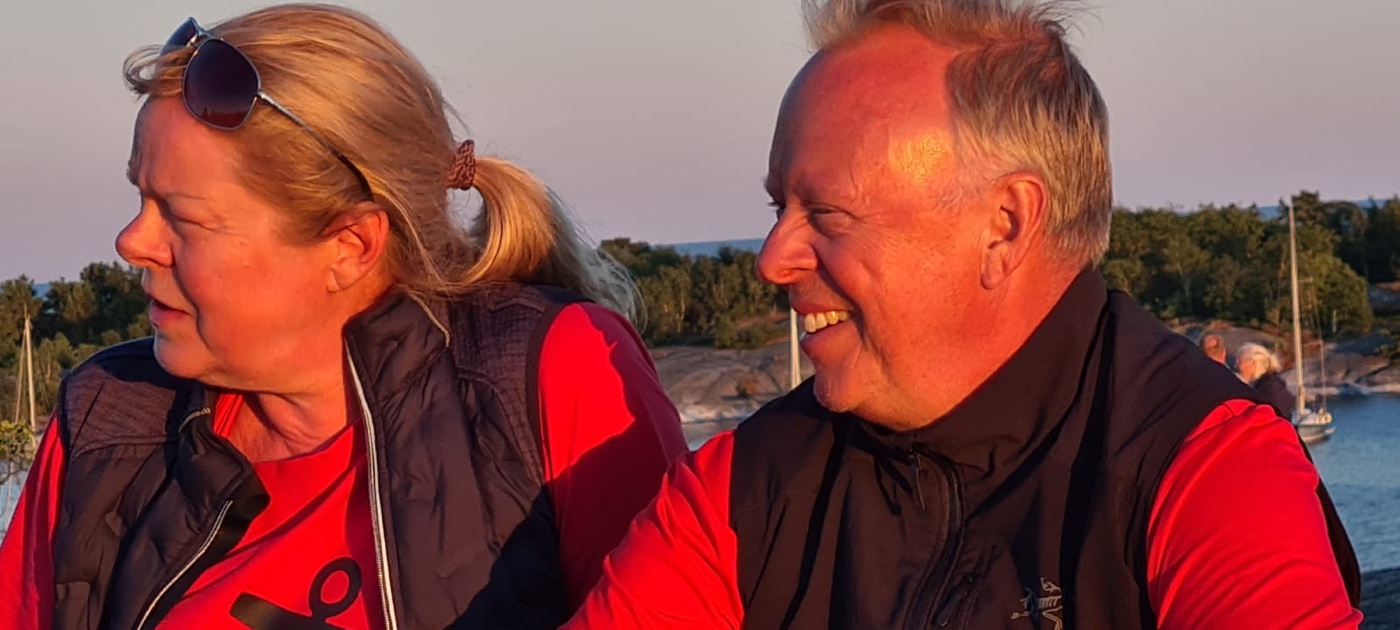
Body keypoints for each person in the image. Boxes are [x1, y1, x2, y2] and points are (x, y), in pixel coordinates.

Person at [564, 1, 1362, 628]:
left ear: (1005, 225)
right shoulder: (743, 489)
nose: (773, 259)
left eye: (827, 213)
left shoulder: (1201, 468)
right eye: (779, 207)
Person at [0, 5, 687, 629]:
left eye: (184, 217)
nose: (131, 242)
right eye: (141, 197)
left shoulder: (549, 372)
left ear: (351, 246)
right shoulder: (111, 421)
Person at [1237, 342, 1298, 421]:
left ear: (1253, 363)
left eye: (1240, 363)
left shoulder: (1269, 389)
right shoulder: (1271, 384)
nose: (1238, 368)